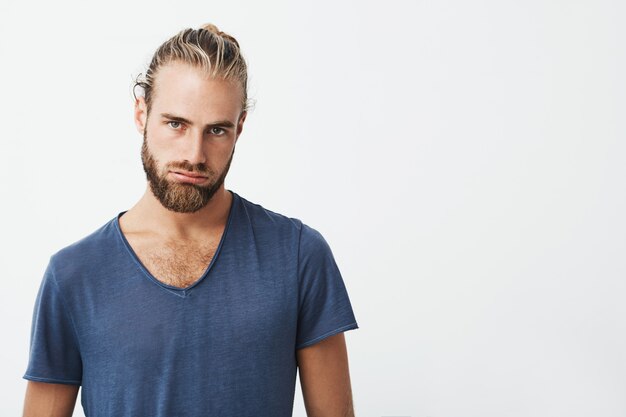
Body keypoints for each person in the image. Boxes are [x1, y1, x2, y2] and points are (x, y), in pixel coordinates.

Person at [21, 23, 359, 417]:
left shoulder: (298, 255)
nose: (194, 155)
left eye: (216, 130)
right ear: (141, 113)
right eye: (175, 124)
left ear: (240, 128)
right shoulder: (74, 274)